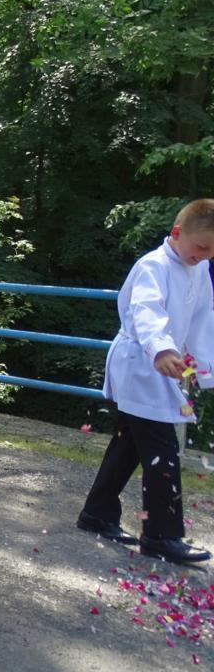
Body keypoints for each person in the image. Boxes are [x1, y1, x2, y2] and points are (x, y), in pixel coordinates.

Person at [77, 200, 214, 564]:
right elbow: (145, 311)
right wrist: (161, 349)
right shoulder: (153, 266)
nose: (206, 256)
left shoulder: (199, 268)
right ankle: (161, 535)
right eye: (202, 247)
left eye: (212, 251)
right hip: (141, 363)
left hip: (162, 365)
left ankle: (97, 513)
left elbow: (203, 317)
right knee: (162, 449)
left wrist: (203, 366)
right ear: (177, 232)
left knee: (130, 444)